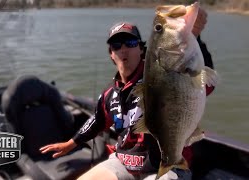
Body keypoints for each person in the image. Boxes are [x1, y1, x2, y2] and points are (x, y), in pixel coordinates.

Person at [40, 7, 214, 180]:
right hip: (122, 162)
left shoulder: (159, 75)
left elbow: (202, 82)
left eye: (130, 43)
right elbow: (98, 119)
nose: (123, 49)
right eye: (117, 45)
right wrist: (71, 143)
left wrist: (195, 36)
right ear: (111, 54)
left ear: (141, 48)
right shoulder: (109, 92)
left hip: (166, 165)